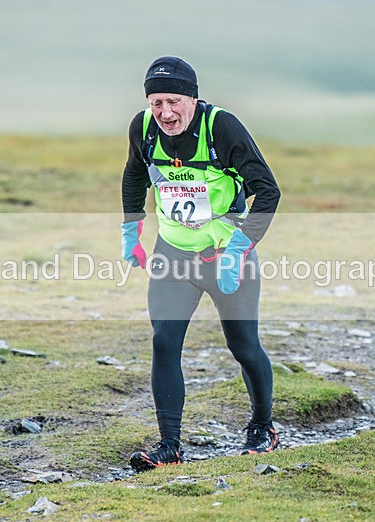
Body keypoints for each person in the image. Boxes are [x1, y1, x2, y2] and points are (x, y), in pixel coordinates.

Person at [120, 56, 281, 472]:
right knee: (163, 342)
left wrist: (240, 247)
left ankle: (263, 428)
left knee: (243, 346)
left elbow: (268, 191)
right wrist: (131, 229)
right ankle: (168, 446)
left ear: (192, 98)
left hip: (226, 254)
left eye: (174, 102)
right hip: (172, 255)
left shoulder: (221, 127)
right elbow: (135, 174)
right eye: (157, 103)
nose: (166, 113)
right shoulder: (143, 127)